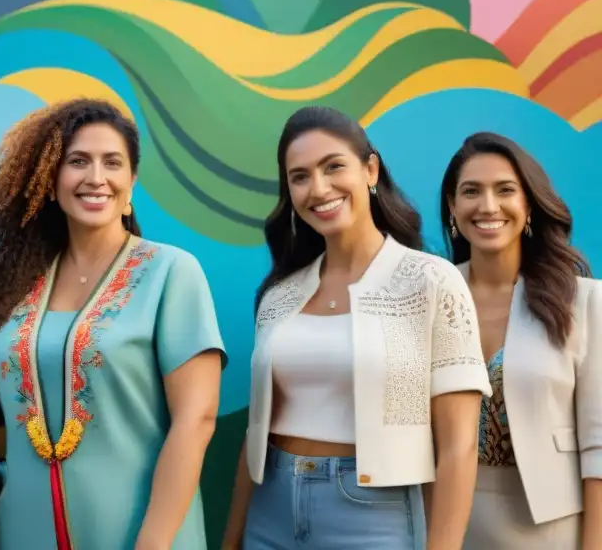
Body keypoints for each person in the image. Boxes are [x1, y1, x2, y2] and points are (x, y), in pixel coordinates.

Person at [222, 106, 491, 550]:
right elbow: (257, 433)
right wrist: (232, 539)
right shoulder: (279, 295)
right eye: (300, 176)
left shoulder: (431, 281)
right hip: (268, 509)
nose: (319, 188)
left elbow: (459, 447)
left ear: (370, 169)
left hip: (372, 518)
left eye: (333, 167)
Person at [0, 97, 226, 550]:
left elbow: (197, 419)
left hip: (140, 534)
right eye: (77, 162)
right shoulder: (15, 286)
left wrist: (153, 543)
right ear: (51, 183)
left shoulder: (170, 272)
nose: (96, 178)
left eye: (112, 163)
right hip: (23, 533)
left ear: (131, 183)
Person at [439, 131, 601, 549]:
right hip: (442, 521)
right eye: (471, 191)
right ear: (453, 209)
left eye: (505, 190)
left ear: (528, 205)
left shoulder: (584, 301)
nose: (488, 205)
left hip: (550, 528)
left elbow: (600, 446)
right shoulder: (427, 297)